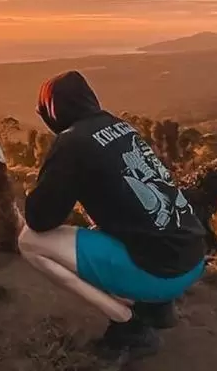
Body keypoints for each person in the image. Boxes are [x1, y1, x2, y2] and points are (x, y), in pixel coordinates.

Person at [19, 71, 207, 362]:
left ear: (52, 111)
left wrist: (43, 178)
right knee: (125, 220)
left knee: (29, 242)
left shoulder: (72, 142)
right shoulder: (120, 126)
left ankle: (129, 324)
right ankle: (155, 306)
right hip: (192, 256)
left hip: (163, 273)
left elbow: (39, 220)